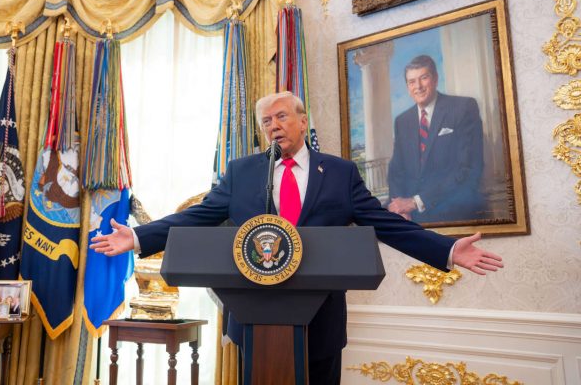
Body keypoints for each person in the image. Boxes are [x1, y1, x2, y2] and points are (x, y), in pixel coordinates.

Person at [90, 91, 503, 384]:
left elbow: (384, 222)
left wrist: (447, 248)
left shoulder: (339, 173)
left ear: (303, 121)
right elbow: (199, 216)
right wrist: (139, 237)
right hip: (254, 314)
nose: (274, 126)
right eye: (266, 121)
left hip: (321, 317)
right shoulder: (243, 172)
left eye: (282, 116)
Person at [387, 55, 486, 223]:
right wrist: (399, 208)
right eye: (412, 82)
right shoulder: (402, 121)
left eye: (424, 78)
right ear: (407, 86)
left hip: (452, 206)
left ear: (435, 79)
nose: (418, 86)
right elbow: (396, 171)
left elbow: (468, 169)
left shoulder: (463, 108)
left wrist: (416, 202)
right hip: (410, 213)